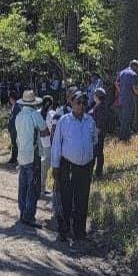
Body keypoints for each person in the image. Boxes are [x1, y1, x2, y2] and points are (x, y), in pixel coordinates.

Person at [51, 92, 98, 243]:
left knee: (82, 199)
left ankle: (80, 231)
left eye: (84, 103)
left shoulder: (90, 121)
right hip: (68, 166)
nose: (81, 106)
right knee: (66, 198)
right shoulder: (64, 121)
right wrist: (56, 169)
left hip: (85, 168)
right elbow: (56, 146)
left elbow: (94, 141)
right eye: (78, 102)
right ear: (72, 103)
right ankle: (63, 231)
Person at [14, 91, 49, 226]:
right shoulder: (35, 115)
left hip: (22, 154)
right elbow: (45, 131)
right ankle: (29, 216)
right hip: (33, 154)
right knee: (33, 186)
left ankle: (23, 213)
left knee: (22, 186)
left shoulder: (18, 116)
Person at [115, 60, 138, 141]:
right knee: (126, 118)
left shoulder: (122, 72)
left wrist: (121, 91)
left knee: (125, 118)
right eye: (137, 67)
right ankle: (122, 137)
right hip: (128, 99)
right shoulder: (133, 74)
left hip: (121, 98)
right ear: (135, 66)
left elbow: (116, 83)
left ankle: (127, 136)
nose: (137, 69)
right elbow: (135, 88)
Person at [88, 88, 111, 177]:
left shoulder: (101, 108)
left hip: (98, 134)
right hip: (97, 133)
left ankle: (96, 172)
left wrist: (94, 135)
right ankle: (97, 172)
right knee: (98, 153)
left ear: (97, 97)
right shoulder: (97, 106)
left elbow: (99, 124)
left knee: (95, 153)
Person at [6, 92, 21, 165]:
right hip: (12, 127)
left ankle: (15, 158)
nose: (9, 100)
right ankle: (14, 157)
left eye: (10, 98)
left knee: (15, 143)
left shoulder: (17, 106)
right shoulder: (13, 106)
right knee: (13, 143)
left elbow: (15, 117)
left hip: (15, 128)